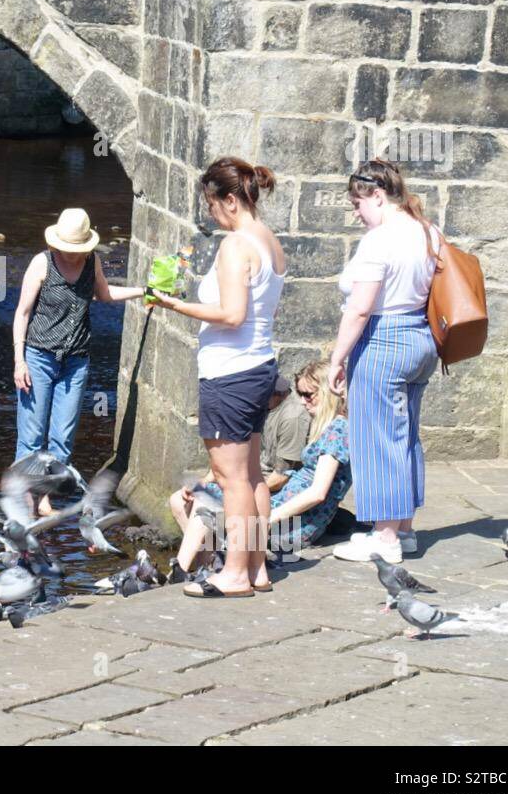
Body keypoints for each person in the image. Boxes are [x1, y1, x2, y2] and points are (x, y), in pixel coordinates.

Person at [149, 157, 285, 598]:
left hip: (230, 374)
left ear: (230, 200)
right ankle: (258, 568)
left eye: (210, 204)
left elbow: (231, 314)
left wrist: (174, 306)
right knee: (252, 475)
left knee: (232, 481)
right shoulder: (269, 241)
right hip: (259, 366)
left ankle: (235, 574)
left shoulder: (236, 246)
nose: (209, 214)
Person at [329, 159, 440, 565]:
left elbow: (360, 308)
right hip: (421, 339)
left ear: (378, 195)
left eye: (358, 203)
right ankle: (404, 530)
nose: (357, 213)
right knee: (405, 434)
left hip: (383, 339)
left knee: (378, 440)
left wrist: (337, 359)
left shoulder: (381, 240)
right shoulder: (429, 231)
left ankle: (385, 537)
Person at [13, 207, 148, 513]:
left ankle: (45, 498)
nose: (72, 253)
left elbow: (104, 294)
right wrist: (19, 361)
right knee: (32, 436)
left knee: (62, 437)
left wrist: (143, 292)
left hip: (75, 362)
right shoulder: (41, 263)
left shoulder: (92, 262)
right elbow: (21, 313)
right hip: (39, 357)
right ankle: (24, 500)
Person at [167, 359, 350, 579]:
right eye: (299, 394)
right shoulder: (329, 427)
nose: (302, 402)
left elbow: (317, 492)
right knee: (196, 497)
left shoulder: (337, 430)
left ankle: (185, 571)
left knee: (205, 504)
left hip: (295, 524)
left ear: (327, 393)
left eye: (308, 394)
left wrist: (268, 518)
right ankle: (202, 567)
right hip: (283, 506)